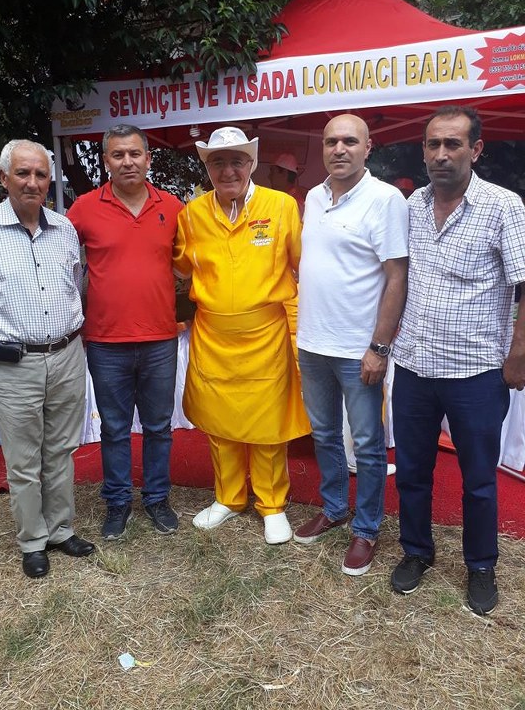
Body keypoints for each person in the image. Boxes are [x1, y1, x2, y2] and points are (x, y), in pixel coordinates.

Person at [389, 105, 525, 615]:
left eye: (453, 144)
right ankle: (416, 551)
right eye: (433, 144)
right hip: (414, 366)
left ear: (476, 149)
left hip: (477, 372)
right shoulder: (412, 205)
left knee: (479, 479)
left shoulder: (503, 206)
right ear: (423, 150)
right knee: (412, 470)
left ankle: (481, 565)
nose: (441, 154)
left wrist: (519, 354)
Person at [0, 140, 94, 578]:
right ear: (4, 178)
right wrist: (4, 335)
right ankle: (33, 540)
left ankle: (61, 530)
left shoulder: (64, 228)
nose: (33, 182)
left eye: (41, 174)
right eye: (23, 173)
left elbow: (77, 286)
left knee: (61, 450)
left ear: (50, 181)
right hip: (13, 364)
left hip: (67, 356)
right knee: (24, 459)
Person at [174, 126, 311, 544]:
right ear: (207, 168)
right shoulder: (192, 214)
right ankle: (228, 497)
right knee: (220, 422)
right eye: (218, 162)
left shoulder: (281, 206)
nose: (228, 170)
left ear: (251, 163)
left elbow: (304, 266)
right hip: (213, 334)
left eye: (237, 161)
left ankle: (272, 504)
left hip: (265, 334)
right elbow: (179, 269)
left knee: (268, 424)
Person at [293, 114, 409, 576]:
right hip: (312, 343)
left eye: (349, 141)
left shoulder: (385, 199)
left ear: (368, 147)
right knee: (323, 435)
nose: (339, 149)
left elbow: (396, 276)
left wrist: (379, 347)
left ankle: (366, 528)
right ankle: (335, 507)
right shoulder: (314, 197)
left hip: (358, 348)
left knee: (367, 443)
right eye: (330, 141)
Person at [67, 124, 182, 540]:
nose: (127, 162)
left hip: (160, 338)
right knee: (114, 429)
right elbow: (61, 262)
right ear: (106, 161)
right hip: (105, 341)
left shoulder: (173, 206)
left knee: (158, 426)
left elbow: (190, 265)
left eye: (135, 154)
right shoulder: (83, 209)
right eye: (118, 155)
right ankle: (117, 503)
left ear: (148, 158)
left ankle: (157, 499)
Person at [269, 153, 308, 217]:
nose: (269, 176)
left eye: (273, 172)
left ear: (284, 173)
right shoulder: (285, 199)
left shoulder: (296, 204)